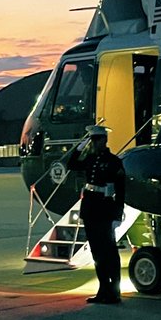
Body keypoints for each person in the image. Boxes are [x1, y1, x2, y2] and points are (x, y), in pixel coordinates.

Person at [65, 124, 126, 304]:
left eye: (95, 140)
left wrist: (117, 215)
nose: (93, 143)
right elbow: (71, 164)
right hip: (91, 209)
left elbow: (121, 190)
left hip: (105, 209)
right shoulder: (90, 159)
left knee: (109, 252)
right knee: (97, 252)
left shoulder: (114, 161)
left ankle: (114, 291)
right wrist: (79, 147)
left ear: (104, 140)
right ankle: (103, 289)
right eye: (91, 140)